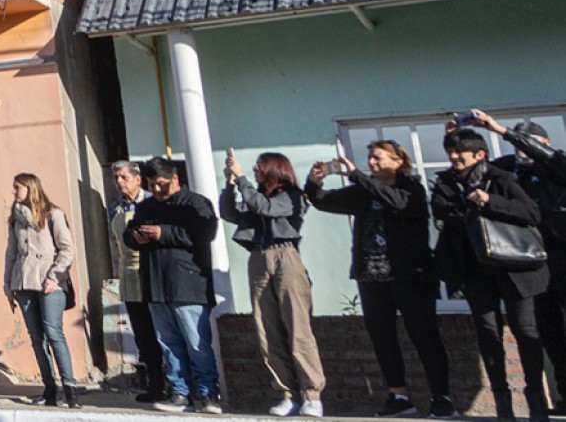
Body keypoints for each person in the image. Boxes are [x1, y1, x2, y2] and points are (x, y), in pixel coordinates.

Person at [305, 142, 450, 418]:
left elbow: (397, 202)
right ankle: (399, 396)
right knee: (383, 337)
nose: (372, 162)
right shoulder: (363, 191)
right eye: (370, 157)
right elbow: (324, 201)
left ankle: (441, 396)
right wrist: (314, 183)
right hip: (371, 276)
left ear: (398, 161)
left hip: (410, 276)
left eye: (378, 158)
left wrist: (357, 176)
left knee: (424, 335)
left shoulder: (412, 188)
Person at [432, 126, 552, 421]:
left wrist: (488, 200)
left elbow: (531, 212)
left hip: (514, 267)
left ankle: (536, 401)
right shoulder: (446, 182)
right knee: (488, 333)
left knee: (526, 331)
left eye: (461, 151)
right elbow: (440, 211)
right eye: (451, 151)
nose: (455, 156)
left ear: (480, 155)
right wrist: (462, 206)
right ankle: (503, 404)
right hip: (475, 269)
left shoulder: (501, 178)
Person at [220, 150, 325, 417]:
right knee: (267, 328)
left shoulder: (292, 195)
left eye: (259, 166)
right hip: (258, 257)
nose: (255, 170)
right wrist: (230, 184)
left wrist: (242, 180)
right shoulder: (254, 195)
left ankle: (312, 394)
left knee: (297, 326)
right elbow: (229, 213)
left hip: (285, 256)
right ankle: (286, 392)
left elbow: (266, 209)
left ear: (274, 169)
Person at [472, 109, 566, 405]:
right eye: (518, 143)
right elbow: (474, 167)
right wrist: (459, 137)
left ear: (544, 143)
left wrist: (502, 131)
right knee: (548, 328)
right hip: (532, 261)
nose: (521, 149)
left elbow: (547, 157)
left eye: (528, 142)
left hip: (561, 252)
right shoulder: (510, 171)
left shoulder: (558, 165)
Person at [125, 158, 220, 414]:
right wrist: (135, 237)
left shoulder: (196, 204)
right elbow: (129, 234)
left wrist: (162, 233)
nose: (156, 190)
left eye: (161, 184)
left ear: (175, 178)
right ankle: (179, 392)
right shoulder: (145, 207)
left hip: (188, 285)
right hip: (156, 286)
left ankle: (208, 393)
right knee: (168, 344)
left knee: (196, 343)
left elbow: (203, 234)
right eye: (151, 185)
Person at [5, 173, 80, 408]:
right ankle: (50, 390)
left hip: (50, 282)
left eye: (17, 187)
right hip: (23, 281)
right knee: (37, 338)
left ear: (30, 188)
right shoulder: (15, 218)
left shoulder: (53, 214)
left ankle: (71, 389)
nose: (14, 191)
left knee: (54, 332)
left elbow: (67, 249)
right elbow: (11, 253)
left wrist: (54, 276)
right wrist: (8, 285)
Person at [109, 161, 167, 404]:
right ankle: (154, 384)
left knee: (162, 330)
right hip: (128, 274)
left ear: (137, 179)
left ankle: (175, 383)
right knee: (142, 333)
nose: (119, 182)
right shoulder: (115, 208)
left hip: (150, 270)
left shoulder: (151, 203)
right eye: (116, 178)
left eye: (123, 177)